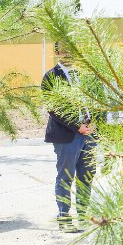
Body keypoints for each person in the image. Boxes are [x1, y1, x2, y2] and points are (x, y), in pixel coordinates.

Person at [41, 42, 96, 233]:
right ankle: (64, 219)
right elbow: (53, 108)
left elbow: (92, 101)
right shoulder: (51, 76)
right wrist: (77, 126)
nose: (69, 52)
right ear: (57, 52)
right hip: (67, 135)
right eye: (65, 49)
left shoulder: (81, 75)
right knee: (65, 177)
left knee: (86, 177)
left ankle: (83, 217)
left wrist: (93, 122)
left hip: (89, 134)